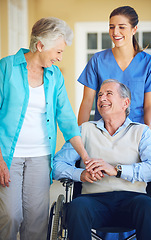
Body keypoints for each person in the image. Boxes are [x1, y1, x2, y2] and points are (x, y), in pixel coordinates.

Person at [0, 17, 91, 240]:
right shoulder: (6, 68)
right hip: (8, 156)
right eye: (58, 52)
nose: (60, 58)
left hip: (40, 155)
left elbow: (67, 119)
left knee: (36, 220)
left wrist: (85, 156)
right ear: (40, 45)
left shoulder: (54, 76)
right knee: (10, 215)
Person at [53, 79, 151, 240]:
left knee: (146, 206)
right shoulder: (85, 130)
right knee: (77, 207)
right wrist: (80, 174)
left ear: (126, 102)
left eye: (109, 94)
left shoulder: (141, 132)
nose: (101, 98)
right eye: (100, 95)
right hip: (93, 201)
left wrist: (117, 170)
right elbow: (56, 165)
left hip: (133, 200)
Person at [77, 6, 151, 133]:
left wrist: (148, 135)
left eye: (121, 27)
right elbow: (87, 103)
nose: (115, 32)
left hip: (136, 134)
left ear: (134, 29)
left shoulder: (148, 63)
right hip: (103, 134)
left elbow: (149, 106)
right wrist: (81, 136)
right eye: (111, 27)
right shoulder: (97, 61)